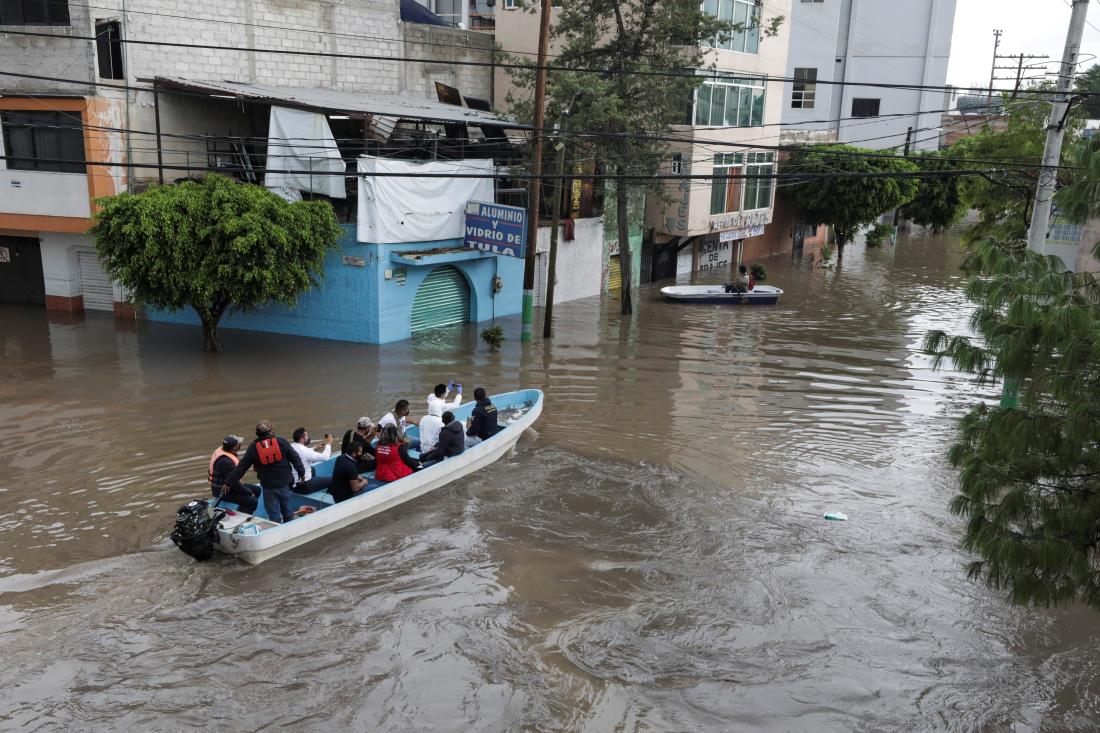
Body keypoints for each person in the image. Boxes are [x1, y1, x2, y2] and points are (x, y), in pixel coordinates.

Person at [228, 419, 305, 524]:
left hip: (269, 486)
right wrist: (301, 473)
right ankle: (289, 526)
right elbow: (295, 458)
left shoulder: (253, 448)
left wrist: (229, 482)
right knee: (287, 510)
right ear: (271, 431)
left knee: (273, 514)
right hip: (284, 483)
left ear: (257, 434)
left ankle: (276, 529)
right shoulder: (281, 441)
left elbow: (241, 468)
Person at [208, 435, 260, 514]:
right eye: (238, 444)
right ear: (235, 447)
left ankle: (244, 511)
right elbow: (235, 484)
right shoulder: (226, 462)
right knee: (252, 501)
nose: (240, 445)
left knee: (257, 490)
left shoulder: (223, 451)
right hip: (222, 491)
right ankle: (243, 519)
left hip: (228, 485)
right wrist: (249, 492)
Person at [290, 427, 333, 495]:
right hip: (303, 486)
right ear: (302, 439)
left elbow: (302, 453)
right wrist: (328, 444)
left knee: (312, 469)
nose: (308, 437)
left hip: (292, 484)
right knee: (333, 480)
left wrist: (315, 448)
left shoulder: (291, 446)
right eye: (306, 436)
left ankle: (315, 485)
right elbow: (325, 457)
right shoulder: (305, 451)